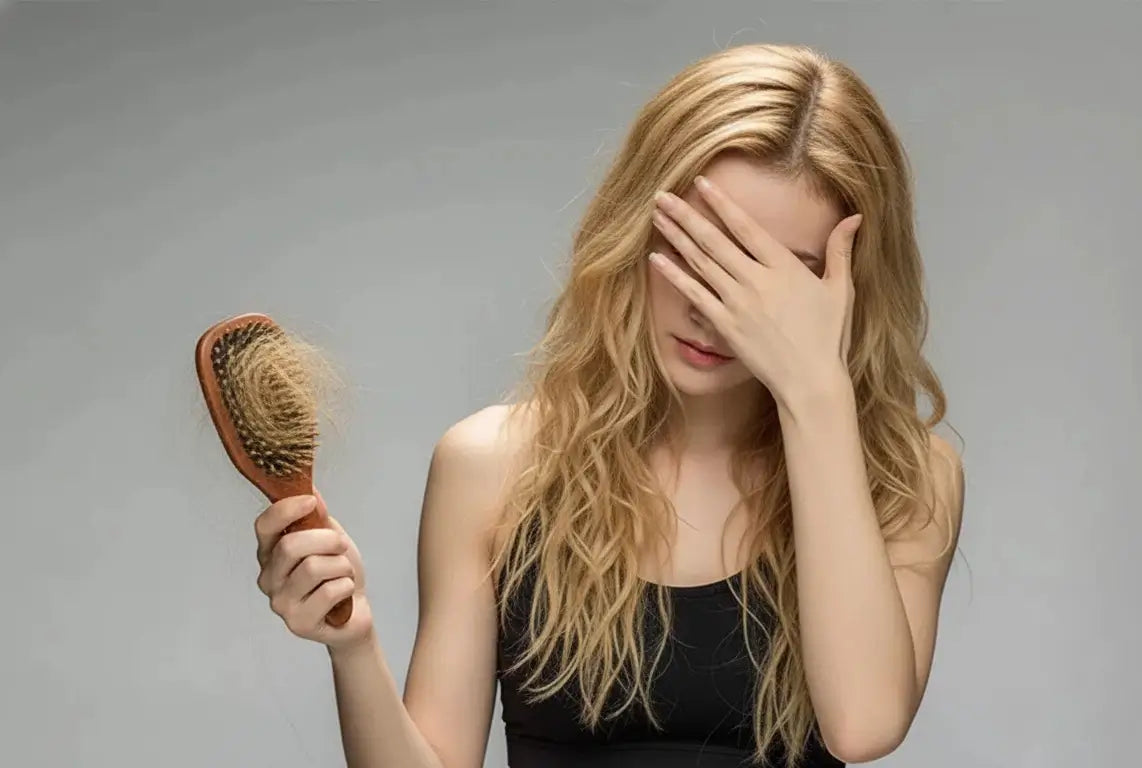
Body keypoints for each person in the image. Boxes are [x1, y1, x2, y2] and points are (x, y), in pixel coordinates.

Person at [251, 42, 965, 768]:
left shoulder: (905, 478)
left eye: (775, 278)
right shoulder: (493, 467)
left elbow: (865, 724)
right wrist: (353, 646)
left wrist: (814, 390)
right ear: (636, 224)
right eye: (699, 249)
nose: (715, 310)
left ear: (848, 287)